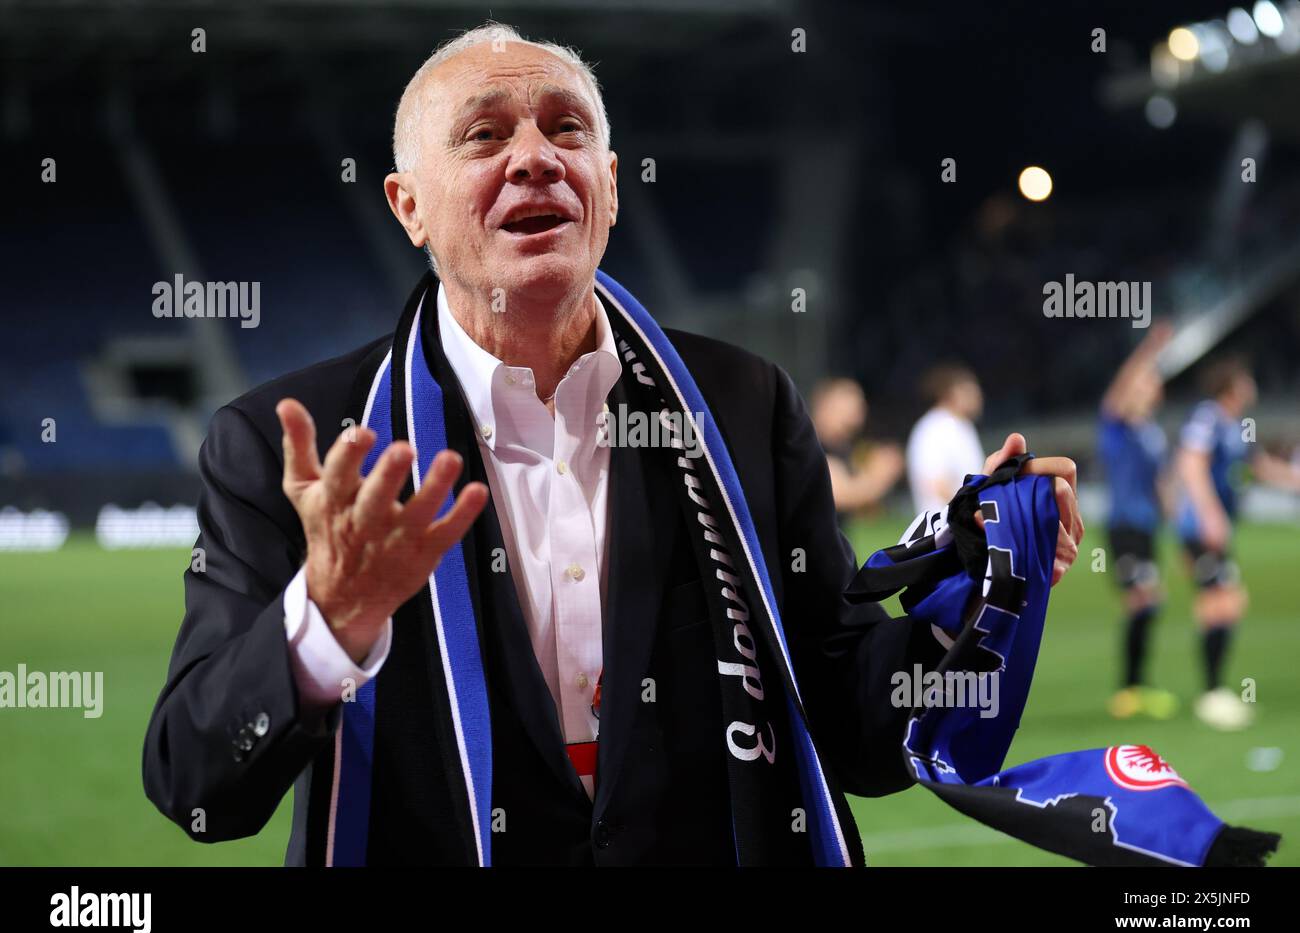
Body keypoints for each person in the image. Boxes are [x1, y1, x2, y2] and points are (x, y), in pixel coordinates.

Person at [141, 21, 1081, 865]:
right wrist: (327, 621)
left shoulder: (741, 404)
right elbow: (194, 788)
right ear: (408, 207)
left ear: (613, 188)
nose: (535, 158)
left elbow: (850, 725)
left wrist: (985, 590)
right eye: (483, 134)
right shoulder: (287, 446)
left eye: (567, 129)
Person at [1176, 356, 1300, 731]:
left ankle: (1214, 692)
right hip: (1200, 529)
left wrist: (1294, 480)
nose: (1251, 385)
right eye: (1245, 379)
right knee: (1223, 601)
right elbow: (1190, 464)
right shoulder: (1208, 417)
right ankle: (1212, 694)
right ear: (1231, 385)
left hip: (1213, 530)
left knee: (1222, 602)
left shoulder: (1234, 426)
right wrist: (1210, 514)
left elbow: (1260, 466)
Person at [1097, 323, 1177, 720]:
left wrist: (1173, 514)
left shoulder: (1152, 433)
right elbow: (1120, 389)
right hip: (1123, 526)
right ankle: (1128, 689)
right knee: (1142, 598)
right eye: (1145, 381)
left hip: (1147, 528)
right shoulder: (1118, 426)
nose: (1150, 385)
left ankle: (1139, 684)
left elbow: (1161, 482)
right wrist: (1150, 348)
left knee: (1151, 601)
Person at [809, 377, 903, 519]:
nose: (854, 418)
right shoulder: (805, 443)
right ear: (824, 406)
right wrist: (880, 476)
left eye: (858, 409)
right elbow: (840, 495)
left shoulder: (842, 448)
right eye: (846, 410)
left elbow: (866, 510)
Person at [906, 363, 985, 515]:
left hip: (965, 522)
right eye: (971, 392)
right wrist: (970, 510)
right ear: (953, 393)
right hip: (945, 525)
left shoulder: (962, 425)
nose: (978, 398)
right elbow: (934, 482)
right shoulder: (934, 426)